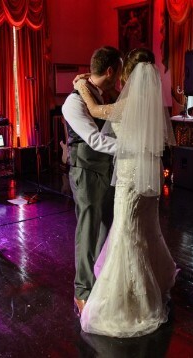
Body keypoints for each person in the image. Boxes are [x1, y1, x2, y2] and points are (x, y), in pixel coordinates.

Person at [73, 48, 177, 338]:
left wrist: (81, 86)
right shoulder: (153, 105)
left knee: (126, 231)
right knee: (145, 228)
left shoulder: (128, 105)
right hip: (148, 174)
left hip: (130, 175)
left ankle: (134, 301)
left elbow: (94, 111)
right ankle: (152, 283)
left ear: (129, 75)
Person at [61, 46, 123, 316]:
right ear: (110, 71)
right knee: (87, 232)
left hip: (107, 171)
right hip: (85, 172)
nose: (120, 78)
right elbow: (94, 140)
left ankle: (100, 280)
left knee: (108, 227)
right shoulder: (73, 102)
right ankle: (82, 291)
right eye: (119, 72)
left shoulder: (100, 95)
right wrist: (131, 148)